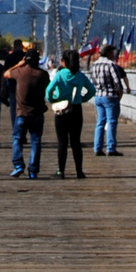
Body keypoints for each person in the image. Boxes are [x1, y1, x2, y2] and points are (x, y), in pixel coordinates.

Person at [46, 48, 96, 179]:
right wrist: (82, 99)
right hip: (76, 109)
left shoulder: (60, 75)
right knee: (75, 142)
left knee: (62, 141)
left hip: (61, 109)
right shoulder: (80, 76)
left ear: (64, 62)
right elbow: (92, 90)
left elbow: (48, 91)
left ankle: (60, 171)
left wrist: (53, 100)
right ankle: (79, 171)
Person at [4, 47, 48, 178]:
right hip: (37, 114)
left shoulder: (20, 72)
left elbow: (6, 74)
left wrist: (18, 65)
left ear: (25, 60)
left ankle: (18, 165)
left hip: (21, 114)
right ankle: (33, 170)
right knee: (36, 141)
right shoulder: (43, 74)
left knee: (17, 139)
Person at [90, 43, 131, 157]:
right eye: (112, 53)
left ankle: (97, 148)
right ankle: (111, 148)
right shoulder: (111, 65)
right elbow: (117, 82)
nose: (114, 55)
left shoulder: (95, 65)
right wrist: (119, 93)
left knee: (100, 122)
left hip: (98, 96)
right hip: (110, 96)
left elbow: (92, 80)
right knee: (111, 122)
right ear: (108, 53)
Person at [2, 39, 26, 128]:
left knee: (13, 109)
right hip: (25, 86)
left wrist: (3, 87)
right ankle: (22, 130)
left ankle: (16, 129)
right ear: (21, 46)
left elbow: (4, 74)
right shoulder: (25, 56)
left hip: (12, 86)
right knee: (24, 109)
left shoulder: (9, 57)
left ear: (14, 46)